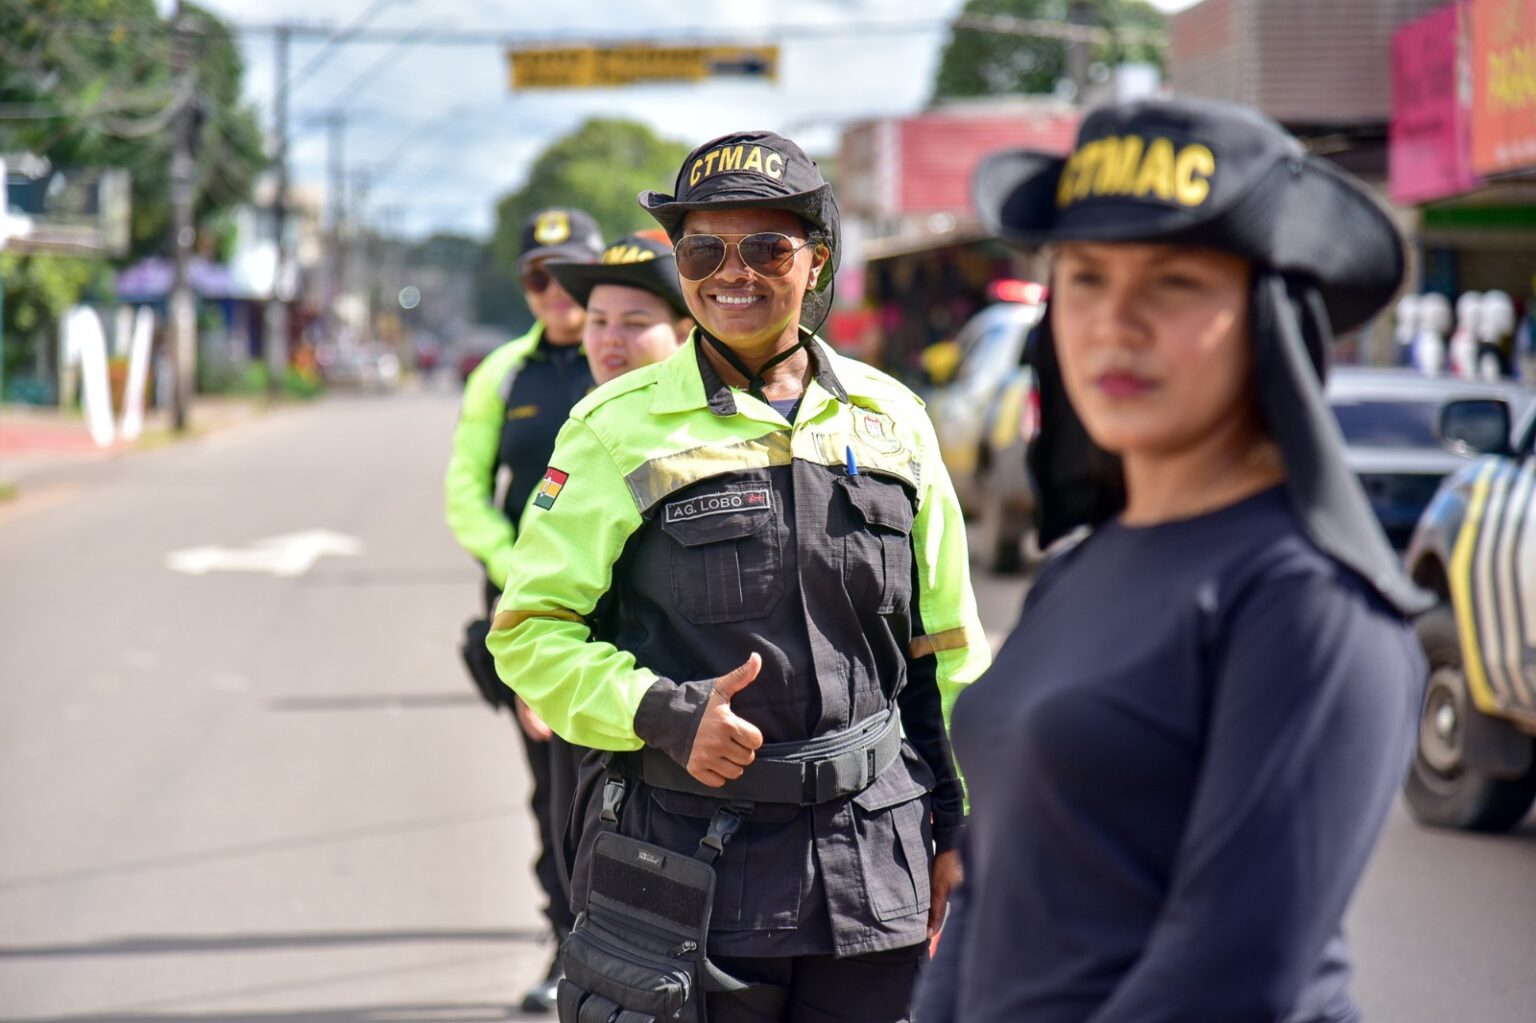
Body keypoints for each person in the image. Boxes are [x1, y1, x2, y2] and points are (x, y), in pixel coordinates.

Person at [916, 97, 1429, 1023]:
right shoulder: (1077, 570)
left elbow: (1226, 978)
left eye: (1175, 281)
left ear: (1269, 315)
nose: (1116, 322)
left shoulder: (1310, 605)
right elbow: (993, 894)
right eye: (1086, 279)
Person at [488, 131, 989, 1023]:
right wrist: (661, 711)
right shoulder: (614, 427)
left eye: (766, 248)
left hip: (874, 869)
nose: (734, 273)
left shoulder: (893, 420)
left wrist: (962, 822)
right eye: (703, 250)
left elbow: (944, 648)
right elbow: (529, 634)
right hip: (690, 877)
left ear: (817, 259)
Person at [444, 206, 603, 1013]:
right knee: (553, 787)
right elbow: (467, 494)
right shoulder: (501, 373)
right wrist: (523, 574)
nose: (554, 293)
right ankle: (568, 940)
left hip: (615, 612)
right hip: (527, 616)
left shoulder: (632, 357)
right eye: (538, 278)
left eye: (571, 275)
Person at [546, 230, 695, 386]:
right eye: (599, 321)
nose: (610, 338)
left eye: (634, 323)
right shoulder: (576, 408)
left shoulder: (713, 407)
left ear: (682, 334)